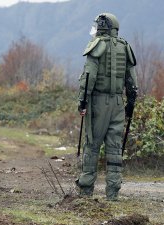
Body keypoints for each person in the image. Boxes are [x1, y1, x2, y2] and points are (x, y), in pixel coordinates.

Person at [75, 13, 138, 201]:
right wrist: (130, 105)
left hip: (99, 104)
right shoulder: (125, 47)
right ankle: (113, 194)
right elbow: (132, 81)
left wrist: (82, 102)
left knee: (92, 145)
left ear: (103, 26)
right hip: (119, 103)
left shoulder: (96, 46)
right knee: (114, 148)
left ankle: (86, 192)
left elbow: (89, 78)